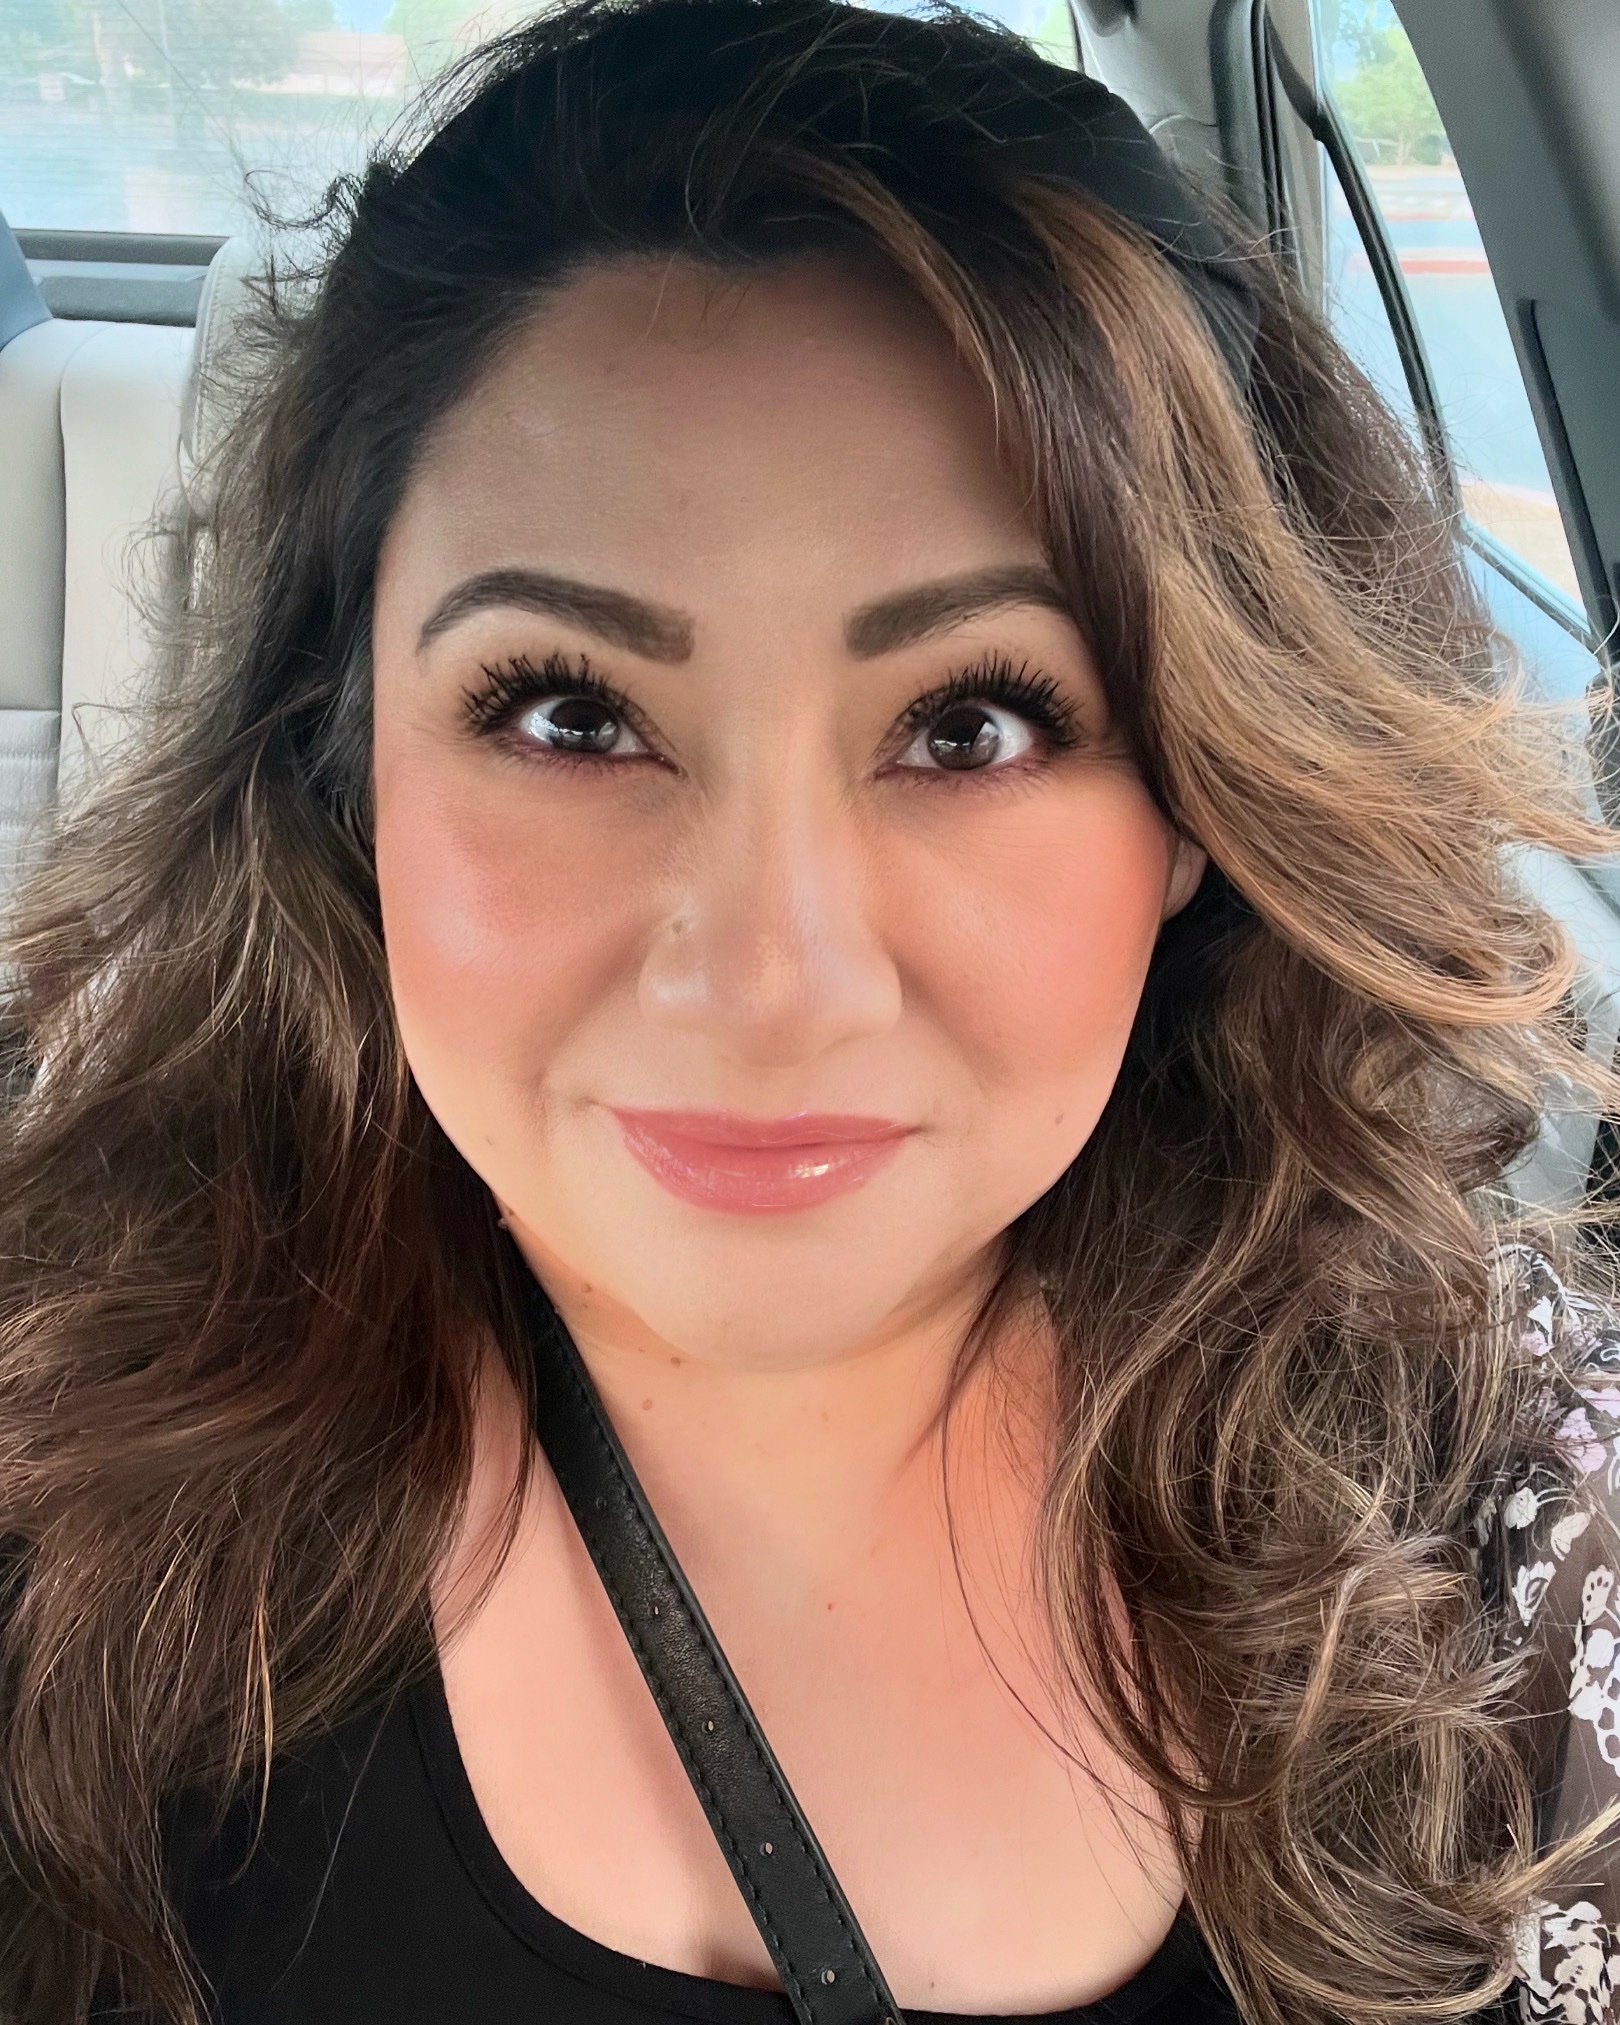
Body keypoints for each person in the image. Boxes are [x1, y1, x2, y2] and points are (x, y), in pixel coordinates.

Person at [2, 0, 1619, 2018]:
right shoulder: (48, 1454)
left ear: (1201, 799)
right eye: (570, 712)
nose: (768, 976)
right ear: (346, 761)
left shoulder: (1499, 1513)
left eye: (974, 721)